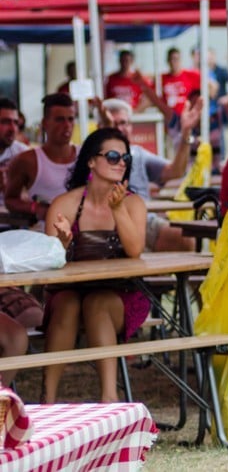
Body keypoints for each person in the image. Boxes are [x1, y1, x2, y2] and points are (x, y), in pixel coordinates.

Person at [44, 127, 148, 402]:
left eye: (126, 158)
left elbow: (135, 250)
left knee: (97, 302)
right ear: (91, 160)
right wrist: (63, 243)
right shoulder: (64, 204)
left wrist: (117, 210)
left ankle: (109, 398)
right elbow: (47, 261)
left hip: (120, 294)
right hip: (69, 290)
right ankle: (47, 399)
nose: (122, 162)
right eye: (113, 156)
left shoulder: (133, 204)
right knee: (68, 304)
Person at [99, 98, 200, 251]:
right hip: (107, 222)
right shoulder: (93, 155)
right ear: (101, 127)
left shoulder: (138, 154)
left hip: (145, 220)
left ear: (131, 127)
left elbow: (176, 171)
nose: (119, 129)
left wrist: (186, 133)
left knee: (185, 239)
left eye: (124, 123)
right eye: (114, 124)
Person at [4, 93, 78, 225]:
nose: (67, 125)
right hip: (43, 238)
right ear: (45, 123)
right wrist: (36, 208)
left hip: (80, 236)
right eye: (59, 119)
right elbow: (10, 200)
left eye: (71, 119)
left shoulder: (86, 155)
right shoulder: (26, 160)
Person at [0, 97, 30, 207]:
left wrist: (10, 189)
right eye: (5, 122)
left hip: (15, 221)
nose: (12, 129)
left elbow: (34, 199)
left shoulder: (24, 154)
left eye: (16, 123)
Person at [161, 48, 202, 118]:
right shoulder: (162, 78)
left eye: (176, 59)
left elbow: (210, 88)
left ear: (180, 60)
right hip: (169, 119)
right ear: (168, 61)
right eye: (171, 59)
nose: (174, 62)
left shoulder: (191, 75)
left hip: (186, 117)